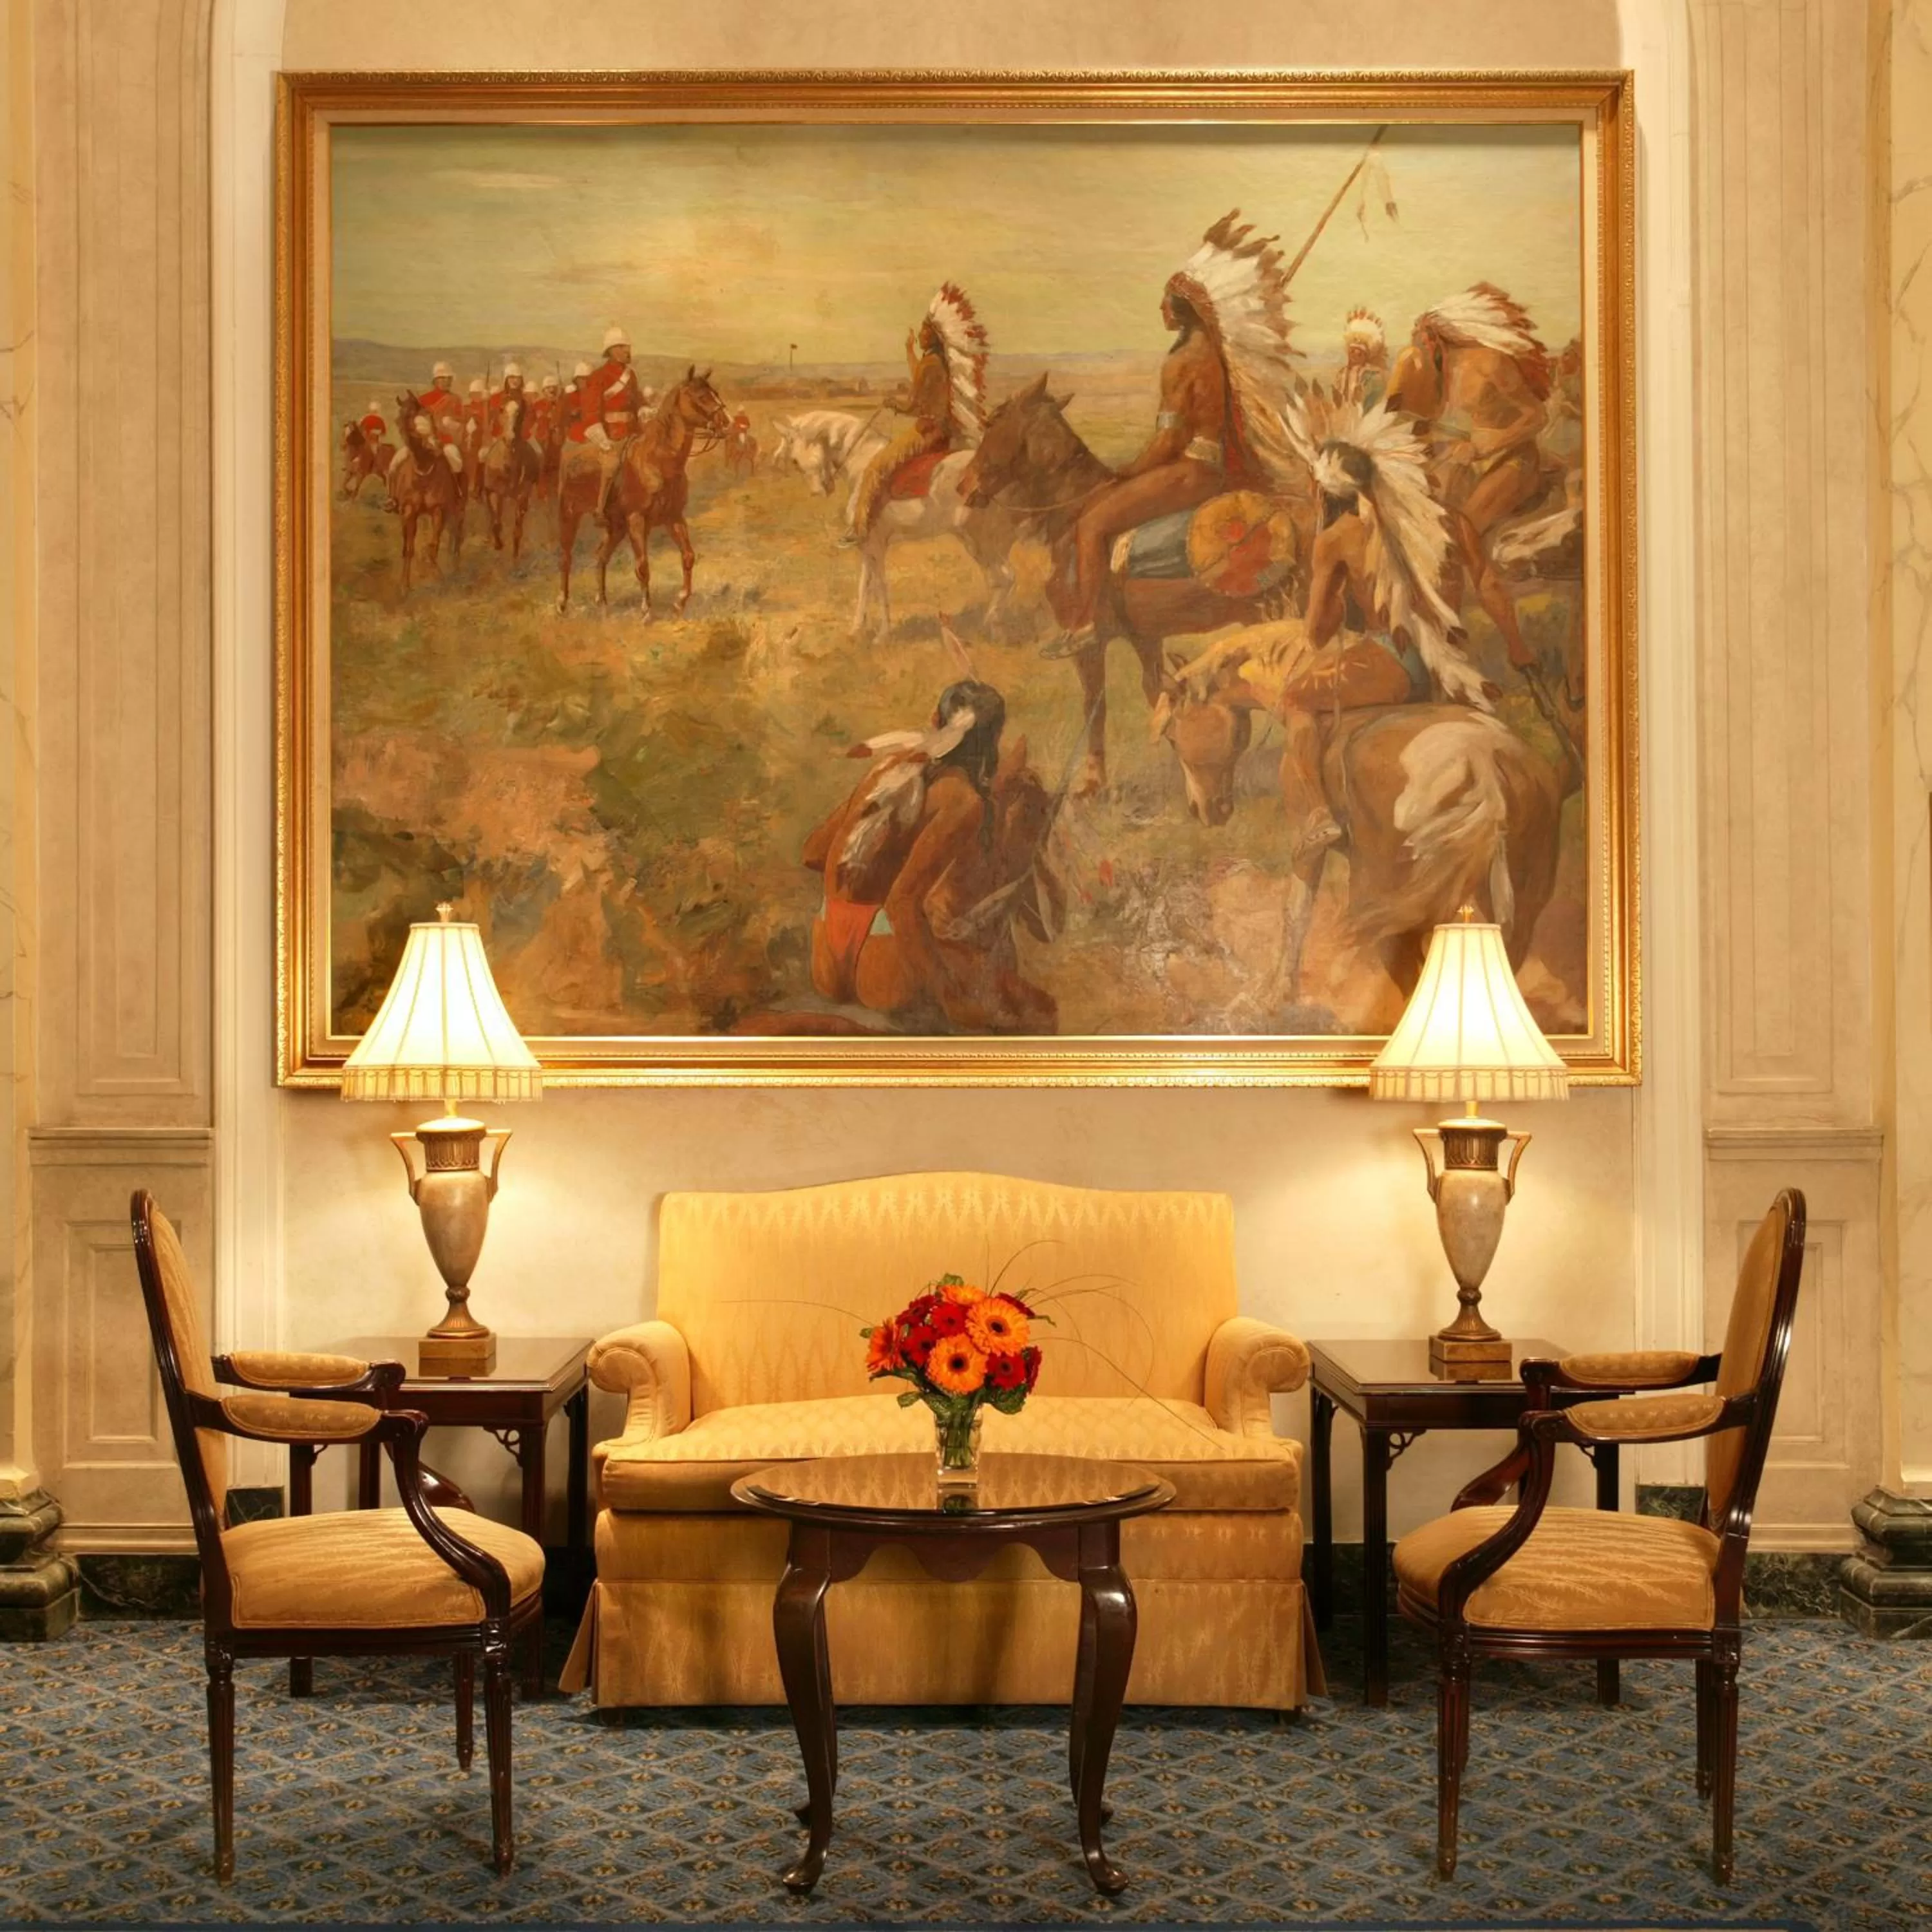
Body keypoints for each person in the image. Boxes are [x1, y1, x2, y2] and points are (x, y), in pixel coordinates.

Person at [1049, 211, 1298, 658]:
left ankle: (1086, 623)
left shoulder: (1181, 363)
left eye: (1165, 302)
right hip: (1209, 466)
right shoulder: (1215, 355)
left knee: (1091, 525)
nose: (1160, 310)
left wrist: (1126, 473)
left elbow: (1167, 442)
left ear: (1180, 309)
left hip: (1191, 471)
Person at [1277, 398, 1490, 864]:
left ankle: (1316, 814)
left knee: (1293, 698)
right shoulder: (1415, 523)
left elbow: (1315, 633)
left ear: (1324, 490)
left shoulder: (1336, 538)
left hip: (1389, 660)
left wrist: (1332, 600)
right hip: (1432, 665)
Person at [801, 680, 1057, 1032]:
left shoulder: (888, 767)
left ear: (935, 719)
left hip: (826, 957)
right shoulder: (963, 801)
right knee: (1035, 1006)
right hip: (879, 967)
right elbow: (901, 905)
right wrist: (953, 1000)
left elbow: (813, 852)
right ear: (993, 740)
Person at [842, 283, 987, 547]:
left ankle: (860, 528)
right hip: (941, 430)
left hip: (927, 431)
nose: (919, 335)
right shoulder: (935, 362)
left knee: (875, 468)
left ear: (933, 336)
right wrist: (909, 350)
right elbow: (919, 376)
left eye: (923, 332)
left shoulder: (932, 364)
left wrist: (895, 405)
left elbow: (915, 405)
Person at [571, 325, 647, 516]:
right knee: (611, 464)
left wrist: (645, 408)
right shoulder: (598, 377)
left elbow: (638, 400)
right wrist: (603, 441)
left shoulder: (631, 375)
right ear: (612, 351)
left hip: (634, 433)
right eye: (622, 347)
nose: (627, 350)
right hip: (611, 436)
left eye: (627, 346)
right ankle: (600, 509)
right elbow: (590, 413)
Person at [1339, 308, 1387, 409]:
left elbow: (1375, 402)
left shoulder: (1373, 376)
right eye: (1352, 351)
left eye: (1359, 353)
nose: (1354, 356)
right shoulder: (1342, 374)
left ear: (1365, 355)